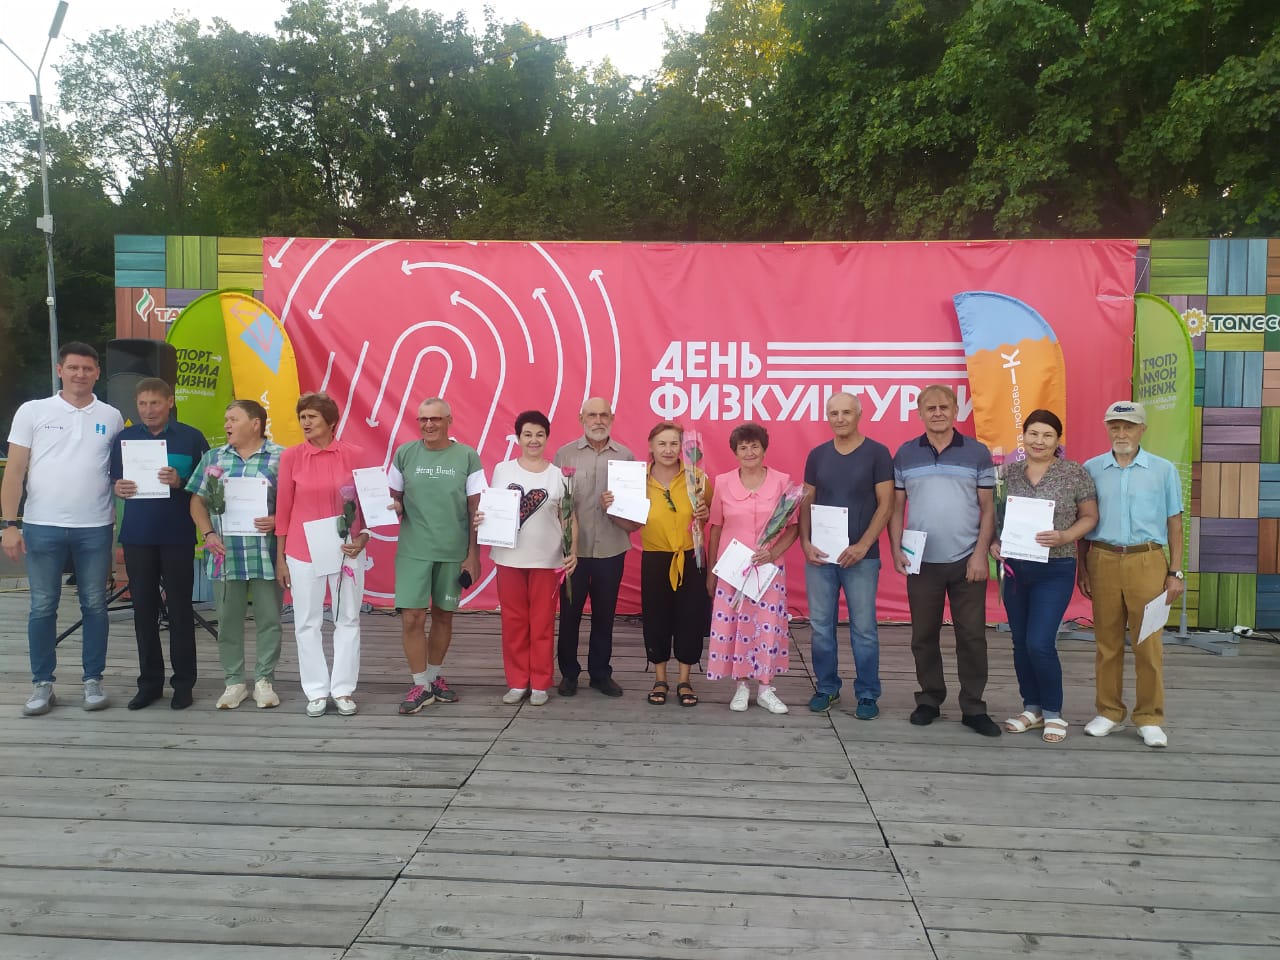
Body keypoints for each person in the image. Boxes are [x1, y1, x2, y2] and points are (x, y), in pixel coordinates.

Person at [3, 342, 124, 715]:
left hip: (95, 526)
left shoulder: (112, 416)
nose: (80, 374)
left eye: (87, 368)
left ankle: (93, 681)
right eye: (73, 367)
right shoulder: (33, 410)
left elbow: (118, 472)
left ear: (97, 373)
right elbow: (15, 471)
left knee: (95, 605)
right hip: (42, 525)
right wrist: (9, 524)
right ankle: (42, 684)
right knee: (42, 606)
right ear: (60, 370)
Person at [889, 384, 1001, 737]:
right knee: (923, 635)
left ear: (956, 411)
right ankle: (929, 699)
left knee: (972, 637)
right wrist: (895, 548)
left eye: (944, 407)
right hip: (921, 562)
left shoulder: (977, 453)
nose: (937, 413)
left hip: (967, 559)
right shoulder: (905, 454)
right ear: (920, 413)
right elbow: (896, 507)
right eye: (930, 408)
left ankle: (973, 707)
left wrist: (980, 553)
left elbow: (988, 509)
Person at [1078, 400, 1184, 749]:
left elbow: (1174, 523)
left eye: (1129, 426)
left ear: (1142, 429)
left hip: (1147, 560)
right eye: (1115, 426)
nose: (1121, 433)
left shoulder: (1163, 469)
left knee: (1148, 643)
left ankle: (1149, 717)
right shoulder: (1092, 469)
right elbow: (1084, 521)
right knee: (1106, 642)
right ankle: (1109, 712)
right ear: (1107, 428)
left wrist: (1175, 571)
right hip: (1103, 559)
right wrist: (1083, 567)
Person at [988, 409, 1097, 743]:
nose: (1039, 441)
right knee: (1020, 642)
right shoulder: (1007, 474)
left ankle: (1053, 712)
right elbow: (996, 517)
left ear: (1057, 440)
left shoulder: (1074, 473)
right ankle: (1032, 708)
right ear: (1024, 437)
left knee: (1040, 642)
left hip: (1055, 568)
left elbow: (1089, 516)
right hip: (1015, 570)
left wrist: (1065, 536)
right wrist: (995, 543)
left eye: (1047, 435)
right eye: (1033, 434)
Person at [109, 377, 209, 710]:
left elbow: (206, 487)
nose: (148, 410)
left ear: (170, 402)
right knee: (143, 611)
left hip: (177, 535)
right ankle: (150, 684)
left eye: (155, 403)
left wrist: (181, 481)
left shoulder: (191, 438)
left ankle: (183, 684)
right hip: (138, 536)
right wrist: (118, 487)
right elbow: (115, 479)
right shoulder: (124, 438)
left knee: (180, 610)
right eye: (142, 404)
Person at [798, 392, 893, 720]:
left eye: (846, 413)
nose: (839, 418)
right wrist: (805, 542)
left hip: (861, 558)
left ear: (859, 415)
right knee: (821, 627)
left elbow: (886, 505)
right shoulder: (817, 455)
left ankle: (867, 693)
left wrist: (863, 545)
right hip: (821, 557)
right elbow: (806, 501)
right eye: (833, 413)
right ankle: (827, 688)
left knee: (863, 629)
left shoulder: (878, 453)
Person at [276, 393, 371, 718]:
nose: (305, 422)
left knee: (348, 618)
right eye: (302, 417)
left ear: (331, 421)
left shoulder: (356, 455)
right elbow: (283, 509)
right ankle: (316, 691)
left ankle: (342, 689)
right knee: (306, 621)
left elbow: (370, 504)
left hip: (347, 550)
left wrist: (363, 537)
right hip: (302, 551)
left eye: (312, 417)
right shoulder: (291, 457)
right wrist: (281, 557)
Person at [388, 398, 484, 714]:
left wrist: (473, 554)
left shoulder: (467, 456)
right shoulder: (404, 454)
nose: (429, 425)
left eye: (436, 419)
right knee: (412, 618)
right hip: (414, 550)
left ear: (449, 421)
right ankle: (420, 684)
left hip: (453, 551)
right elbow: (391, 498)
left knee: (443, 615)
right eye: (423, 419)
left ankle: (433, 678)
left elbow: (476, 509)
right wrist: (394, 506)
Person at [187, 400, 284, 711]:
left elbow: (293, 504)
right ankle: (234, 682)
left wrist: (277, 519)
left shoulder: (281, 457)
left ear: (255, 423)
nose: (227, 424)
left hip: (266, 553)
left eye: (234, 419)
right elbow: (197, 501)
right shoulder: (214, 457)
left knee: (270, 619)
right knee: (228, 621)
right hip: (224, 553)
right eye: (226, 419)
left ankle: (264, 680)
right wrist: (208, 533)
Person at [484, 410, 577, 706]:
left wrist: (572, 551)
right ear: (518, 438)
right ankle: (517, 681)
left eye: (539, 434)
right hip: (508, 558)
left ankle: (539, 682)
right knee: (513, 622)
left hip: (547, 560)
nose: (533, 440)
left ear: (547, 438)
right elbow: (492, 508)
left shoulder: (559, 475)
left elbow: (568, 516)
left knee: (542, 622)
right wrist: (482, 519)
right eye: (527, 434)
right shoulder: (502, 470)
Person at [706, 422, 799, 714]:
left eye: (754, 446)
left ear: (764, 449)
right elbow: (715, 528)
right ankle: (741, 686)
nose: (749, 452)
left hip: (768, 570)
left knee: (767, 627)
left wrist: (772, 554)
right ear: (735, 452)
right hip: (732, 571)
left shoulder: (782, 481)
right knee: (736, 627)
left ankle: (766, 688)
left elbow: (792, 527)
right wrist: (711, 571)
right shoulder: (722, 482)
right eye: (743, 447)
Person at [553, 397, 636, 698]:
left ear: (612, 418)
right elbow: (555, 503)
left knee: (604, 615)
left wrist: (618, 508)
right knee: (569, 615)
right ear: (581, 419)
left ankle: (600, 674)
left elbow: (633, 510)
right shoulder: (564, 455)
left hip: (611, 549)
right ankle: (568, 674)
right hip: (572, 552)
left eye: (603, 415)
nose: (598, 420)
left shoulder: (626, 457)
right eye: (592, 415)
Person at [637, 421, 712, 708]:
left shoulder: (698, 478)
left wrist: (704, 513)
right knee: (656, 618)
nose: (668, 450)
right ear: (651, 446)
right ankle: (660, 678)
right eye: (662, 444)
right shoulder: (637, 480)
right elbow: (626, 517)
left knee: (689, 618)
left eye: (673, 443)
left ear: (682, 447)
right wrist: (612, 503)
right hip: (655, 557)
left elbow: (708, 514)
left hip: (691, 556)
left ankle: (684, 679)